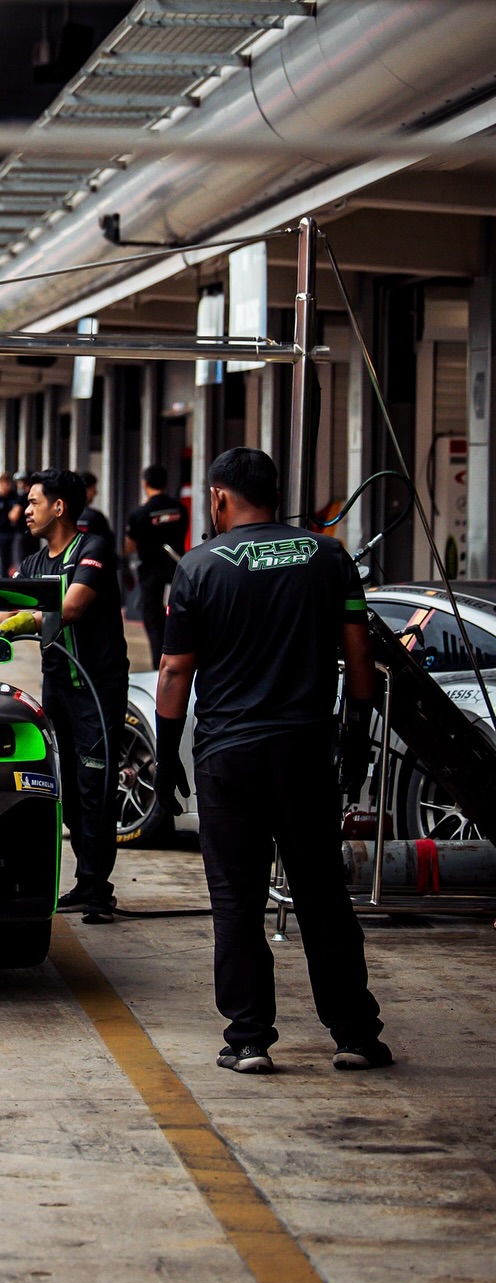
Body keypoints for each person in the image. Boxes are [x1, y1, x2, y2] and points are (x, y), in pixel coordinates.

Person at [155, 446, 389, 1075]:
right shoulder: (329, 556)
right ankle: (354, 1035)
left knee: (236, 899)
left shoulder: (199, 567)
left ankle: (250, 1038)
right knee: (321, 895)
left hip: (229, 758)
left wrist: (164, 752)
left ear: (220, 499)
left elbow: (177, 669)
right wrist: (358, 735)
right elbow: (359, 656)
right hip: (306, 753)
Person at [0, 468, 128, 920]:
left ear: (59, 507)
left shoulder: (93, 549)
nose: (25, 511)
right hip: (57, 688)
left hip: (97, 688)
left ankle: (96, 888)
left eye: (33, 502)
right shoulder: (32, 564)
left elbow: (72, 606)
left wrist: (24, 623)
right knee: (63, 787)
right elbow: (6, 605)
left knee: (95, 788)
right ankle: (86, 880)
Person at [124, 463, 189, 666]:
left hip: (151, 573)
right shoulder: (179, 508)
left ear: (145, 484)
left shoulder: (140, 514)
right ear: (165, 483)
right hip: (176, 569)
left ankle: (158, 665)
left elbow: (129, 547)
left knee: (154, 623)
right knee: (180, 618)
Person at [77, 471, 115, 543]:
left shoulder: (65, 515)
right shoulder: (96, 517)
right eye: (93, 488)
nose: (95, 493)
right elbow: (107, 542)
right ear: (86, 490)